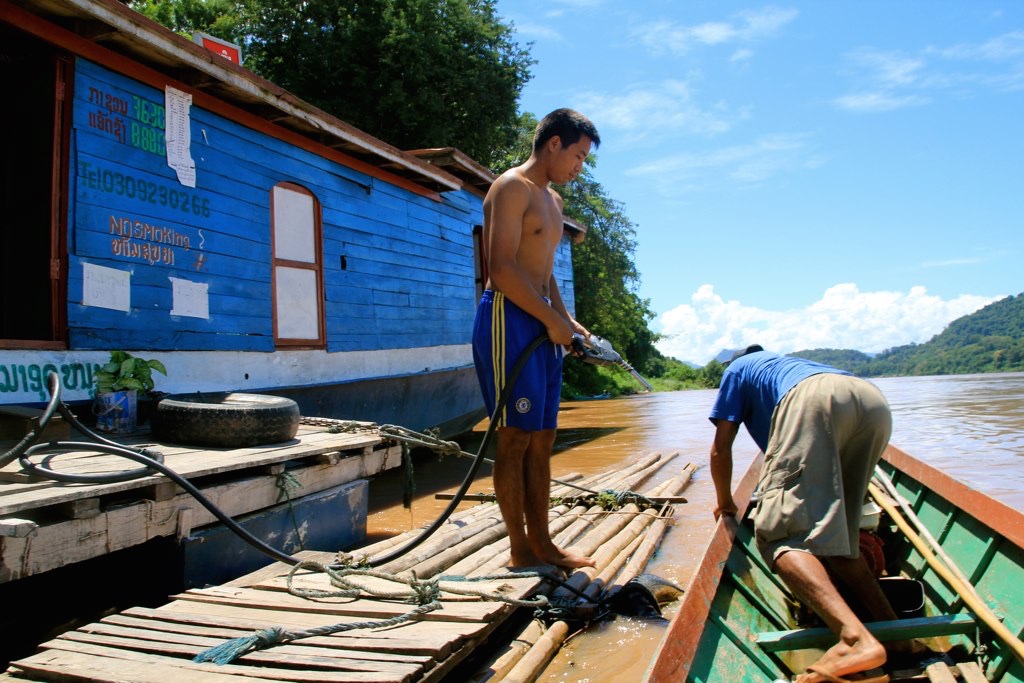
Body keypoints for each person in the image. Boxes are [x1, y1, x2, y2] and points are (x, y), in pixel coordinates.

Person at [709, 345, 902, 683]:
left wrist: (725, 503)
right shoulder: (786, 366)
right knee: (841, 542)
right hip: (872, 402)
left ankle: (855, 641)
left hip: (815, 404)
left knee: (778, 533)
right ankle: (903, 641)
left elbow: (721, 446)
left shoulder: (737, 370)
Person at [471, 108, 600, 570]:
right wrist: (550, 321)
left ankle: (545, 544)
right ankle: (519, 549)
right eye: (578, 156)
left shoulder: (555, 202)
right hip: (509, 318)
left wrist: (569, 322)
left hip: (541, 321)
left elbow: (545, 276)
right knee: (515, 437)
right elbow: (502, 268)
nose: (578, 168)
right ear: (554, 144)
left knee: (543, 436)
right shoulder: (511, 188)